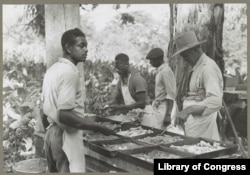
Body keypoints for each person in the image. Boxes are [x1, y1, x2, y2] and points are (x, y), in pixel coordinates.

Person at [41, 28, 114, 172]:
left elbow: (44, 107)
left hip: (51, 134)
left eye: (86, 46)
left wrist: (51, 134)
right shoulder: (70, 73)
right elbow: (64, 114)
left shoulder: (53, 69)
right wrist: (97, 127)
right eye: (81, 46)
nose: (86, 50)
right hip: (65, 137)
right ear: (68, 47)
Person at [172, 31, 223, 141]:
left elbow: (215, 101)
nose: (185, 60)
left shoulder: (208, 68)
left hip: (204, 126)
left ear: (196, 49)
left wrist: (188, 110)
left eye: (186, 56)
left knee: (204, 151)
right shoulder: (196, 66)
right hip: (195, 126)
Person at [104, 53, 152, 123]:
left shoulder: (137, 79)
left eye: (119, 65)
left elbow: (142, 102)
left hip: (145, 115)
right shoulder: (121, 81)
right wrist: (109, 106)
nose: (116, 67)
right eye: (116, 65)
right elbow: (117, 99)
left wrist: (121, 107)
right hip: (133, 115)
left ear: (126, 64)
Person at [146, 48, 178, 129]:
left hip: (164, 107)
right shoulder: (160, 71)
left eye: (152, 60)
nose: (150, 63)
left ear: (159, 59)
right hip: (159, 105)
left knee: (160, 131)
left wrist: (168, 115)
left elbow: (171, 94)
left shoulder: (165, 71)